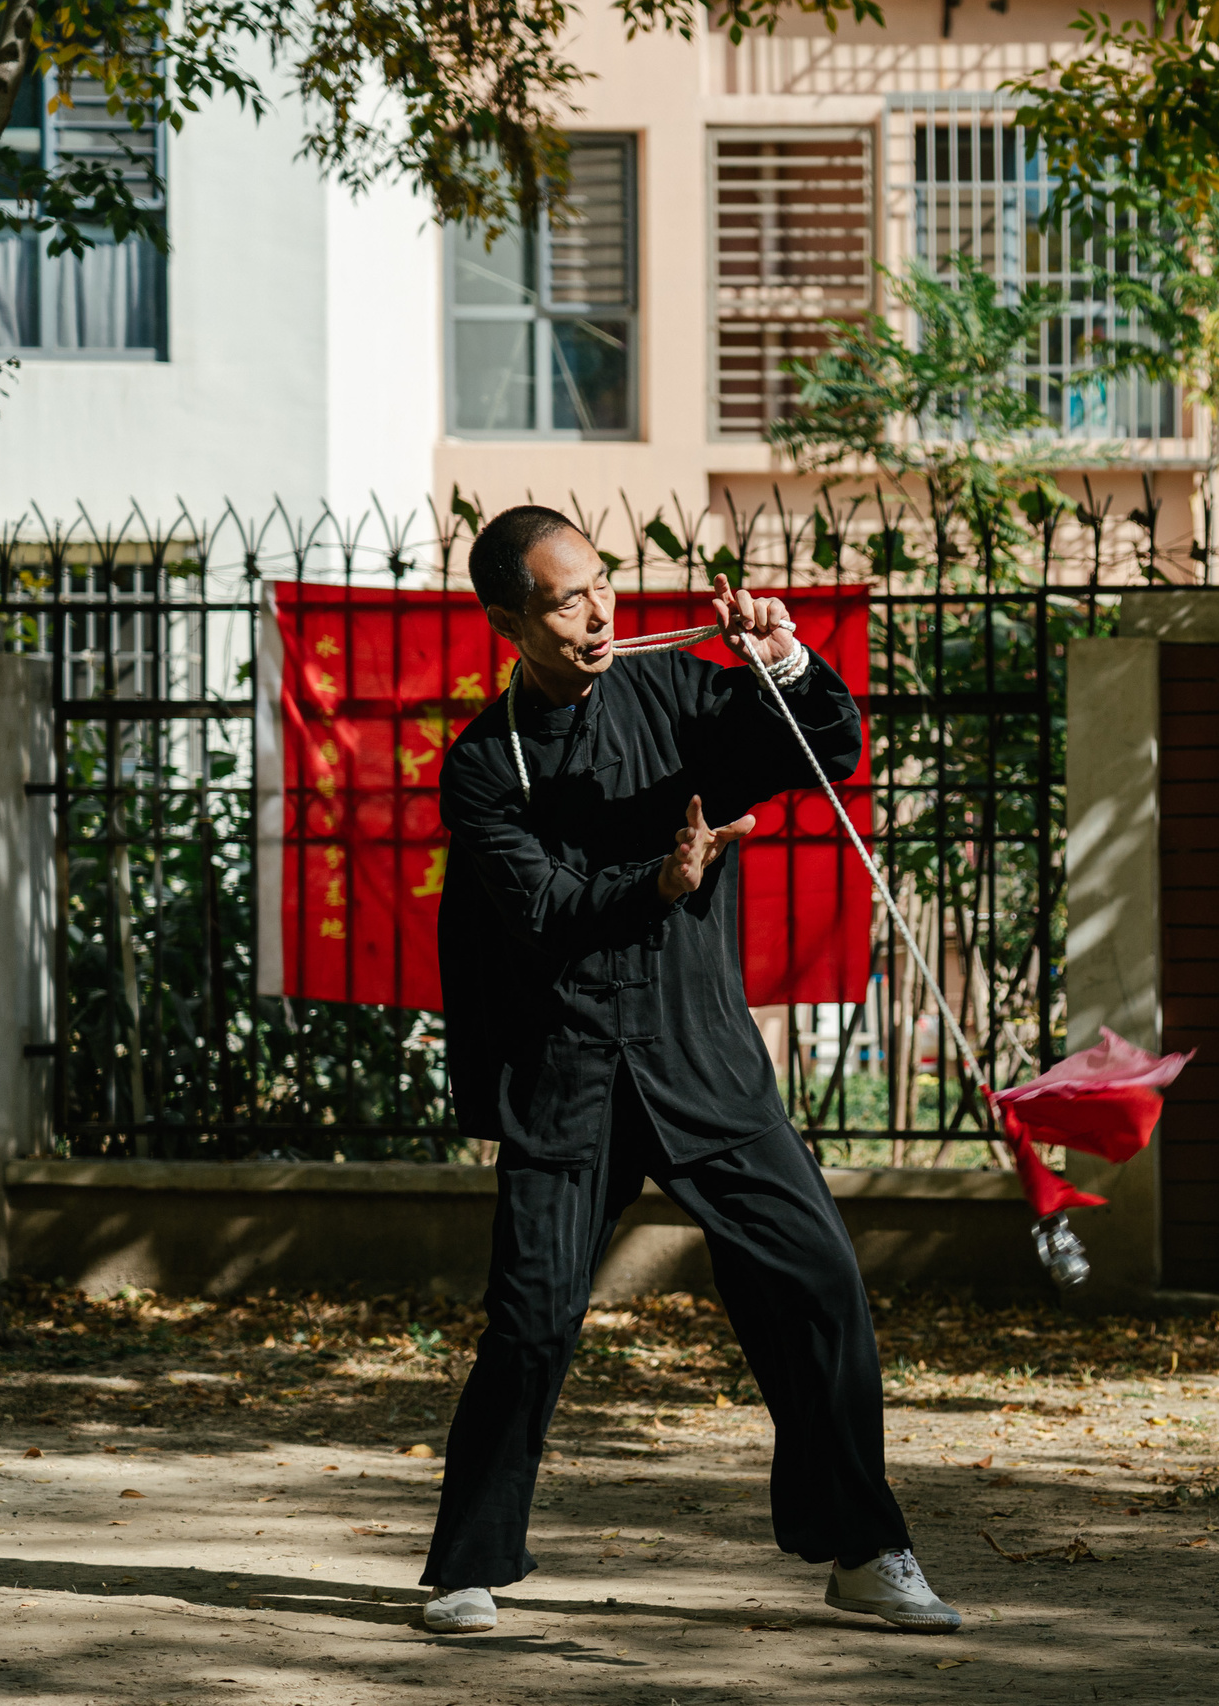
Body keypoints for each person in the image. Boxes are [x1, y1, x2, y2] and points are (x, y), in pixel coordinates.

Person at [417, 505, 959, 1636]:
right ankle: (469, 1562)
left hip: (697, 1052)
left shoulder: (677, 693)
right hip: (564, 1068)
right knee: (529, 1317)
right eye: (567, 598)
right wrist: (660, 881)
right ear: (510, 621)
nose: (599, 608)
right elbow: (551, 909)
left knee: (817, 1281)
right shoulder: (478, 766)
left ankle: (862, 1546)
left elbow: (827, 750)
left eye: (603, 581)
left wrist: (782, 661)